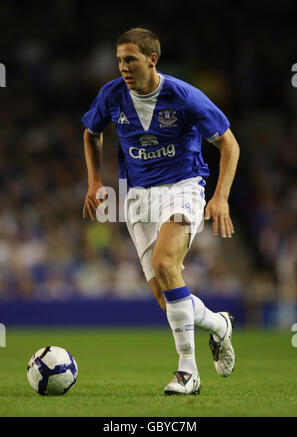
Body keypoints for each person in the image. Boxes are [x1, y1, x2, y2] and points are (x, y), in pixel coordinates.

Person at [81, 28, 240, 395]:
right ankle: (218, 325)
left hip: (183, 186)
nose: (123, 66)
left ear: (152, 59)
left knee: (168, 266)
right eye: (119, 59)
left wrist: (221, 197)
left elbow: (229, 145)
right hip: (137, 196)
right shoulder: (112, 94)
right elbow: (91, 132)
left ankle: (188, 373)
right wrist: (94, 181)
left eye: (130, 59)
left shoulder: (185, 97)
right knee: (165, 298)